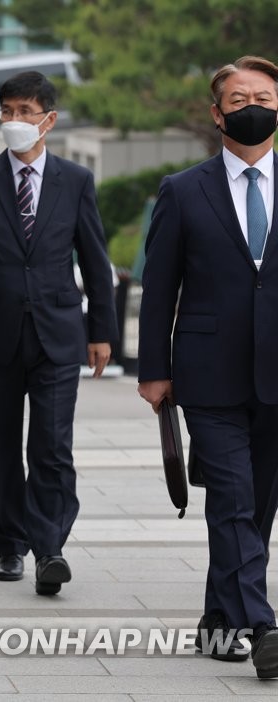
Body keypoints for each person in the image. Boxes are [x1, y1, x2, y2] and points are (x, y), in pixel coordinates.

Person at [0, 71, 116, 596]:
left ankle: (50, 547)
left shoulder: (75, 181)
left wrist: (101, 329)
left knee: (53, 445)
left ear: (49, 121)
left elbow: (95, 258)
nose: (14, 121)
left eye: (24, 111)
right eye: (7, 111)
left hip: (58, 332)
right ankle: (9, 545)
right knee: (0, 446)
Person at [138, 55, 278, 678]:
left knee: (259, 507)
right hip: (208, 374)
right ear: (216, 112)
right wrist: (153, 370)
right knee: (232, 498)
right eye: (240, 97)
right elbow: (159, 287)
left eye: (266, 96)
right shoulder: (182, 189)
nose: (254, 106)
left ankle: (219, 621)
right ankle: (263, 627)